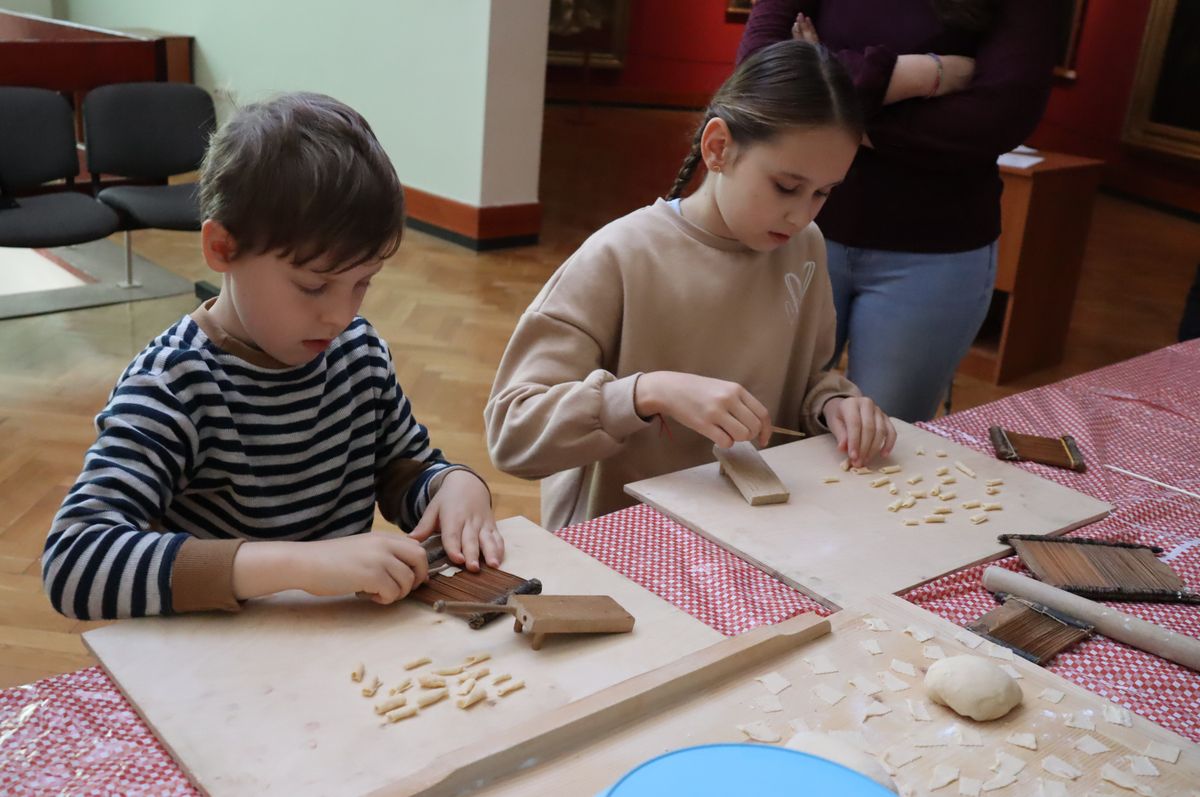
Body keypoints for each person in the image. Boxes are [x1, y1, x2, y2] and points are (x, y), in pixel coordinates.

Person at [42, 93, 503, 620]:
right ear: (222, 249)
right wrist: (298, 566)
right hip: (218, 669)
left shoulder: (357, 352)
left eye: (362, 284)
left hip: (340, 652)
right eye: (313, 286)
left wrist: (451, 485)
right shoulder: (173, 382)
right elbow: (73, 561)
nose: (339, 314)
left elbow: (402, 469)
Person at [486, 41, 896, 531]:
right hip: (626, 541)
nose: (801, 213)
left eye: (823, 193)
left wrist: (833, 405)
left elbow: (808, 378)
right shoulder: (620, 254)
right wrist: (646, 393)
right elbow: (513, 434)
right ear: (718, 147)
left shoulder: (804, 246)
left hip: (760, 531)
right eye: (786, 187)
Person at [740, 0, 1060, 421]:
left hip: (933, 250)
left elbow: (995, 119)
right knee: (763, 422)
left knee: (881, 441)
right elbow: (764, 75)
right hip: (797, 230)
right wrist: (925, 74)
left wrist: (834, 98)